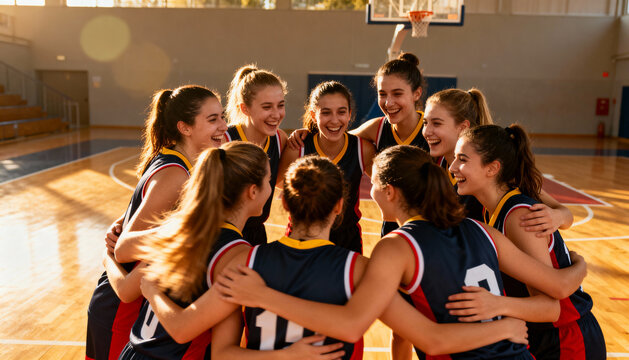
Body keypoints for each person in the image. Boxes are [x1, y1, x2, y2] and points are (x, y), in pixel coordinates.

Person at [216, 145, 589, 359]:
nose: (371, 191)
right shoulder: (481, 230)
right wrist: (577, 264)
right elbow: (556, 294)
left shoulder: (395, 249)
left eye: (374, 184)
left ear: (390, 192)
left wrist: (263, 296)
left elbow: (419, 337)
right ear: (338, 208)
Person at [86, 85, 226, 360]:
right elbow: (124, 247)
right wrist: (108, 255)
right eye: (213, 120)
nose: (223, 126)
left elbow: (133, 224)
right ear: (185, 128)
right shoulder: (176, 174)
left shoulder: (181, 163)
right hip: (119, 305)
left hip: (136, 300)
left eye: (222, 116)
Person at [448, 124, 606, 360]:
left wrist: (496, 304)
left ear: (492, 168)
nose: (452, 168)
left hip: (566, 337)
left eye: (462, 159)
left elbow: (549, 306)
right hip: (541, 334)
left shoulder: (519, 217)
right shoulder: (489, 208)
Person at [287, 53, 428, 239]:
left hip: (429, 221)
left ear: (416, 94)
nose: (388, 102)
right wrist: (308, 132)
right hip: (393, 224)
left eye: (397, 93)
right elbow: (338, 137)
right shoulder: (377, 128)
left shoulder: (432, 129)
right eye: (382, 94)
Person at [423, 88, 573, 233]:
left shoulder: (496, 172)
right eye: (425, 123)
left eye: (436, 123)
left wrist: (556, 217)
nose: (426, 131)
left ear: (463, 128)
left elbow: (565, 214)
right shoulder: (437, 166)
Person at [278, 81, 376, 253]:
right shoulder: (298, 148)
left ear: (350, 114)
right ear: (314, 115)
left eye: (341, 112)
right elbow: (279, 183)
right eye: (326, 113)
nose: (335, 120)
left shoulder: (362, 149)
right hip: (301, 239)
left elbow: (384, 182)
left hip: (347, 242)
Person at [224, 65, 289, 246]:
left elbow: (280, 182)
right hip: (221, 235)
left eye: (281, 105)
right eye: (267, 107)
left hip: (257, 235)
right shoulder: (224, 140)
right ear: (245, 109)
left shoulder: (280, 140)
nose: (276, 114)